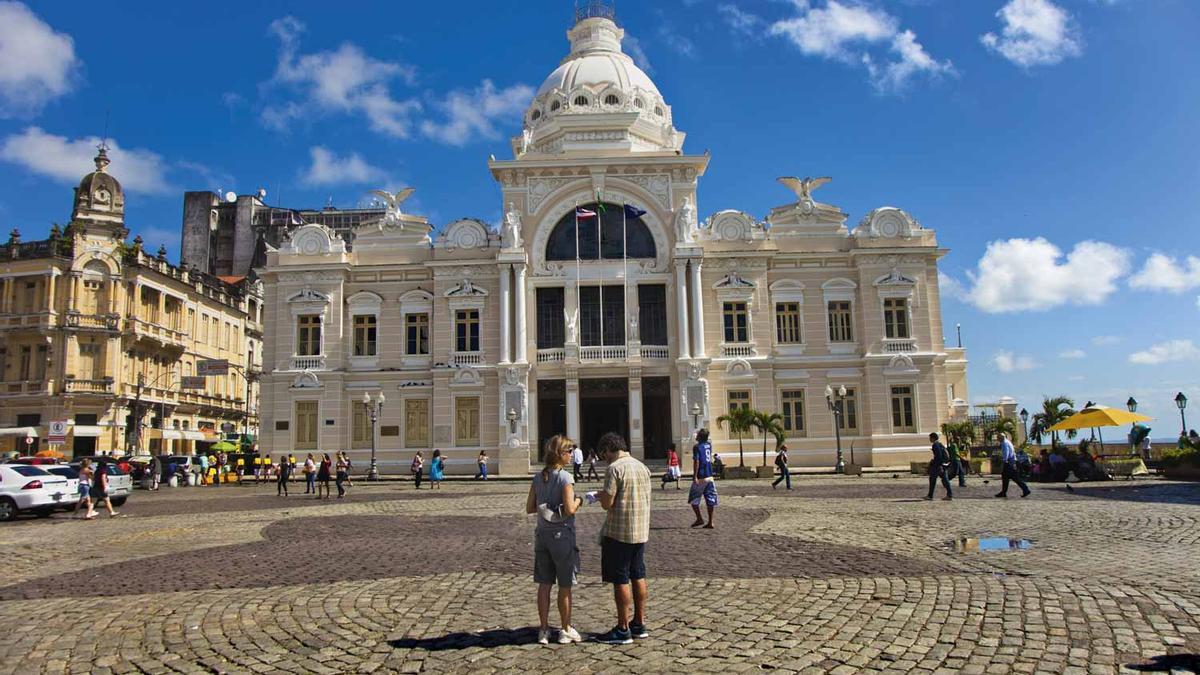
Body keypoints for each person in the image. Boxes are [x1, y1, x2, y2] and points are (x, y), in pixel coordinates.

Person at [524, 435, 583, 645]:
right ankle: (566, 629)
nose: (571, 455)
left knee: (544, 584)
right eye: (569, 451)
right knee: (565, 585)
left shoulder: (539, 477)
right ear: (561, 454)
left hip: (542, 536)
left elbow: (530, 508)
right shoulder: (565, 478)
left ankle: (543, 629)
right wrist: (580, 500)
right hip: (562, 537)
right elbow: (569, 509)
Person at [594, 432, 651, 645]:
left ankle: (622, 628)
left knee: (620, 579)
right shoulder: (642, 467)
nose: (604, 458)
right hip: (640, 531)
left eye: (604, 454)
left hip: (619, 533)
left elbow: (608, 502)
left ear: (610, 448)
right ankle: (639, 623)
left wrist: (599, 496)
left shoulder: (614, 469)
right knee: (638, 575)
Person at [689, 429, 719, 528]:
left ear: (700, 436)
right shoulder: (709, 445)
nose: (696, 436)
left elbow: (696, 461)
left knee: (693, 500)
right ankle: (711, 522)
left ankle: (699, 518)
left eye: (697, 434)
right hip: (710, 475)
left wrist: (695, 476)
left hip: (701, 476)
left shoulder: (697, 447)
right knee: (710, 499)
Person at [995, 432, 1031, 498]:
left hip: (1009, 462)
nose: (997, 439)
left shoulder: (1004, 443)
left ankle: (1026, 489)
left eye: (998, 438)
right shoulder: (1008, 442)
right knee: (1005, 477)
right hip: (1012, 462)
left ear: (1001, 437)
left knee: (1014, 477)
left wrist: (1004, 461)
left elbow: (1006, 452)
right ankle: (1003, 492)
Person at [924, 432, 953, 501]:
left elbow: (938, 456)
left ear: (933, 438)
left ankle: (930, 495)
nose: (929, 439)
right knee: (945, 480)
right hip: (943, 465)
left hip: (937, 466)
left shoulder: (935, 445)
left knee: (932, 480)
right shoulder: (940, 444)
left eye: (930, 438)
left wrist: (933, 463)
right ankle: (950, 494)